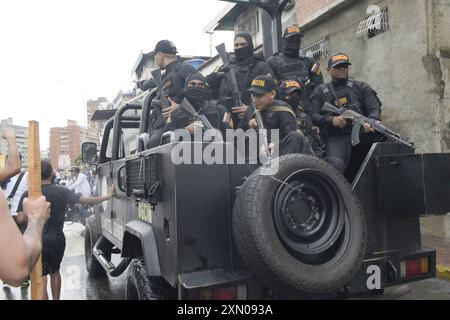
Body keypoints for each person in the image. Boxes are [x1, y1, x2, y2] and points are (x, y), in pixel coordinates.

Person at [16, 160, 115, 300]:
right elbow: (86, 200)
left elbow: (20, 219)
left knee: (41, 276)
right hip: (57, 240)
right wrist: (107, 196)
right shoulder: (61, 191)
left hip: (36, 240)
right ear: (51, 173)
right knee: (55, 272)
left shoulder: (29, 193)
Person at [309, 52, 382, 172]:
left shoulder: (361, 87)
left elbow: (374, 108)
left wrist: (372, 121)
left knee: (384, 145)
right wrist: (331, 120)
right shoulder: (320, 91)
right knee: (335, 167)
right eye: (338, 67)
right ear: (328, 70)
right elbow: (312, 115)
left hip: (361, 134)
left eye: (345, 66)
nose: (342, 69)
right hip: (335, 137)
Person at [207, 32, 274, 128]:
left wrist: (251, 110)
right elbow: (206, 86)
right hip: (226, 117)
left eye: (243, 44)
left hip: (251, 119)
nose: (239, 47)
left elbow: (271, 95)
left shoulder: (260, 66)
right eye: (236, 45)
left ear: (250, 45)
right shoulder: (227, 67)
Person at [137, 40, 195, 148]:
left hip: (179, 124)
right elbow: (148, 83)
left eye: (155, 56)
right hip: (163, 126)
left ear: (160, 55)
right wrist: (139, 84)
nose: (155, 59)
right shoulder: (164, 76)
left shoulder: (184, 69)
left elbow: (201, 94)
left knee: (154, 142)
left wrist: (181, 107)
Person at [239, 75, 305, 157]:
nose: (255, 100)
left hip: (280, 154)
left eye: (260, 96)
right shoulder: (251, 110)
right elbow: (238, 138)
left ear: (272, 94)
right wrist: (249, 127)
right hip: (256, 155)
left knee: (296, 136)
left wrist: (274, 145)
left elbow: (291, 138)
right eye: (253, 95)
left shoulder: (283, 109)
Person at [164, 72, 233, 138]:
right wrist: (185, 131)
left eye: (200, 85)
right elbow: (166, 139)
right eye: (192, 84)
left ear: (205, 89)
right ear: (185, 87)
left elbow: (231, 136)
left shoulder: (220, 110)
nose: (196, 87)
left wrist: (217, 135)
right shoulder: (175, 114)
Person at [266, 25, 323, 104]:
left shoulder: (308, 62)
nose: (295, 42)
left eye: (297, 39)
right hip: (282, 108)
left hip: (307, 108)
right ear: (284, 40)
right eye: (291, 39)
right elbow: (268, 90)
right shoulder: (272, 62)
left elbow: (320, 86)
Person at [278, 80, 324, 156]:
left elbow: (317, 143)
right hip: (287, 159)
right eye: (290, 95)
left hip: (309, 158)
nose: (294, 98)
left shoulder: (304, 117)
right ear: (282, 96)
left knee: (336, 162)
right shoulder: (275, 117)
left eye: (296, 95)